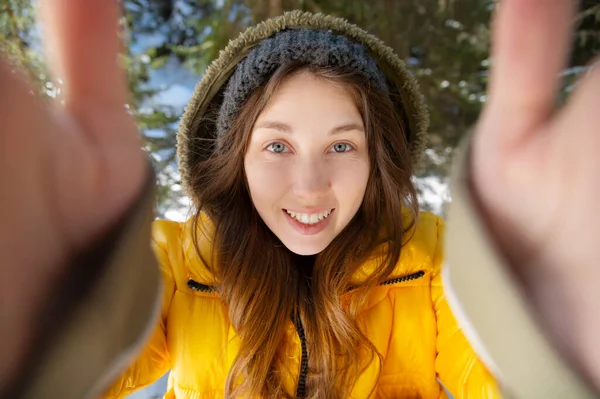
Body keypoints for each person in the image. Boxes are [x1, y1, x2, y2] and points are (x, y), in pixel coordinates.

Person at [0, 1, 598, 399]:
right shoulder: (178, 267)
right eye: (277, 146)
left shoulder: (432, 261)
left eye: (342, 147)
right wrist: (47, 334)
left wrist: (544, 356)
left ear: (377, 159)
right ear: (234, 156)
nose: (310, 187)